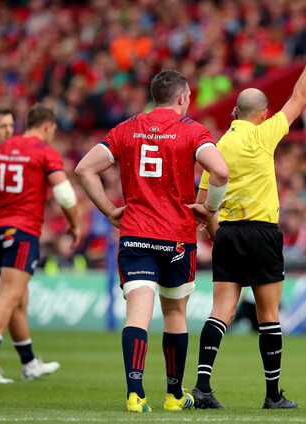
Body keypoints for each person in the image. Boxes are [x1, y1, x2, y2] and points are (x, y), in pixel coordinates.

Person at [188, 25, 306, 411]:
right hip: (262, 233)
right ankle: (272, 395)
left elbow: (203, 206)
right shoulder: (265, 134)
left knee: (221, 312)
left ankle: (202, 386)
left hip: (228, 234)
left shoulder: (216, 146)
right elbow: (300, 95)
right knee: (269, 315)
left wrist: (216, 233)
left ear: (234, 112)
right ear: (263, 114)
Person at [75, 69, 229, 413]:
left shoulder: (126, 129)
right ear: (182, 97)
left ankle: (135, 394)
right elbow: (221, 171)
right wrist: (209, 209)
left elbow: (84, 168)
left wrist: (110, 211)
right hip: (176, 238)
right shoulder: (192, 130)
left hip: (136, 234)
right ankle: (174, 396)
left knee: (137, 314)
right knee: (175, 313)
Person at [0, 105, 80, 383]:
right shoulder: (44, 151)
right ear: (48, 126)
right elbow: (64, 194)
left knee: (18, 298)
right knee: (8, 295)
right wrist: (74, 224)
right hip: (23, 231)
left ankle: (29, 363)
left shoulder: (0, 150)